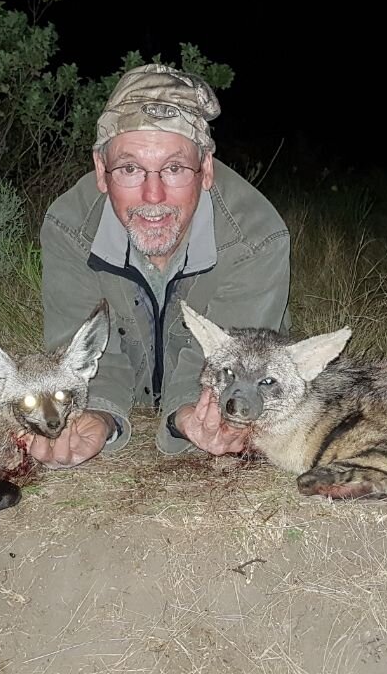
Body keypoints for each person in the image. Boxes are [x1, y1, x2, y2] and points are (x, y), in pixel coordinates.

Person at [30, 63, 291, 467]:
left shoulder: (257, 237)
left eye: (174, 168)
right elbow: (80, 352)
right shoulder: (69, 227)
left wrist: (188, 412)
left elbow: (232, 357)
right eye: (130, 168)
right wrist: (98, 413)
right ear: (101, 171)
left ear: (205, 169)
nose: (154, 195)